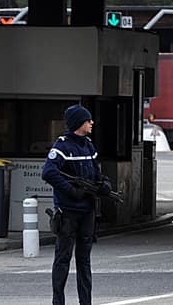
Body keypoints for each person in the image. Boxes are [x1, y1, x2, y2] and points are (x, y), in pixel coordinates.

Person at [41, 104, 110, 305]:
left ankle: (85, 302)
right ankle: (58, 301)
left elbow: (96, 175)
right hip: (68, 212)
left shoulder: (88, 146)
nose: (91, 123)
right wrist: (71, 191)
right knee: (63, 259)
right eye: (88, 120)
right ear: (78, 123)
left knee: (84, 261)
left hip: (87, 212)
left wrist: (104, 185)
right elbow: (49, 172)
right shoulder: (61, 146)